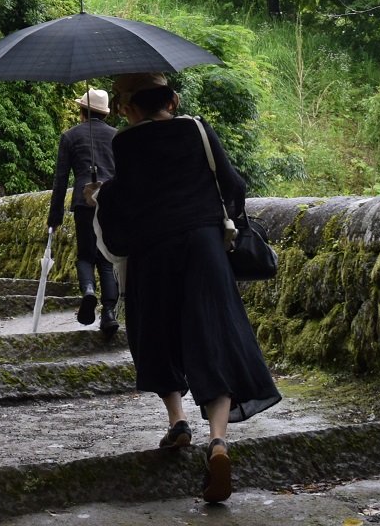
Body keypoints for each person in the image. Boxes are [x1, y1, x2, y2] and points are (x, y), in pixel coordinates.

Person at [95, 71, 280, 504]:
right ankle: (218, 441)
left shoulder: (125, 142)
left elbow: (124, 203)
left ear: (129, 109)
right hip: (203, 247)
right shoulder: (197, 129)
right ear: (173, 101)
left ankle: (177, 421)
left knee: (156, 334)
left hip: (153, 255)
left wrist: (98, 196)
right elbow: (234, 186)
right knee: (213, 334)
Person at [47, 87, 120, 333]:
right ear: (105, 114)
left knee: (86, 256)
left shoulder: (70, 136)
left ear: (82, 112)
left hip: (83, 201)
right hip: (110, 201)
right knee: (107, 260)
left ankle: (88, 290)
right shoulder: (116, 136)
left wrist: (54, 217)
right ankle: (109, 312)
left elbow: (60, 180)